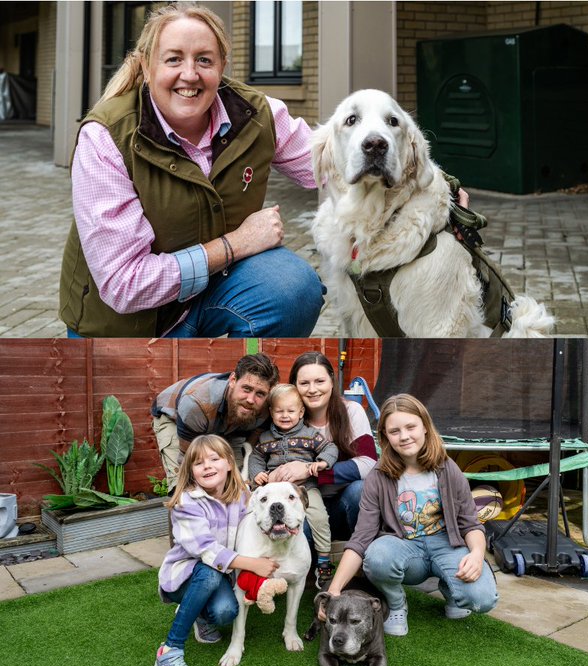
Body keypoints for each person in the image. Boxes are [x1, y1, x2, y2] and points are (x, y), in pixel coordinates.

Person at [59, 2, 324, 338]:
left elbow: (334, 166)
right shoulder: (104, 138)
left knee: (292, 288)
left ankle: (237, 369)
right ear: (147, 66)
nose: (190, 74)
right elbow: (124, 285)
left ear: (222, 66)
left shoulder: (256, 114)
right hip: (127, 325)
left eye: (204, 60)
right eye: (173, 59)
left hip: (207, 293)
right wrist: (237, 244)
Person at [322, 394, 498, 637]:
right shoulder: (378, 477)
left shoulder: (447, 468)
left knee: (482, 599)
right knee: (377, 556)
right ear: (385, 436)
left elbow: (470, 523)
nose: (404, 436)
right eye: (394, 431)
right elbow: (361, 538)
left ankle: (452, 589)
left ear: (425, 427)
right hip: (405, 548)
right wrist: (334, 590)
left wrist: (477, 555)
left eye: (410, 427)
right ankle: (396, 604)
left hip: (446, 545)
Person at [155, 434, 278, 666]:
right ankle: (169, 651)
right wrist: (253, 564)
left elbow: (254, 525)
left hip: (221, 573)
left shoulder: (242, 496)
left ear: (229, 463)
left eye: (214, 459)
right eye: (199, 463)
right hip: (184, 576)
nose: (207, 466)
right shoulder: (186, 502)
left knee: (226, 612)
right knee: (209, 571)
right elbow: (207, 551)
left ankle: (200, 614)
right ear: (191, 471)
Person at [263, 351, 377, 541]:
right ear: (294, 386)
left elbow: (368, 463)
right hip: (302, 505)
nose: (312, 389)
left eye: (319, 381)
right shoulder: (285, 418)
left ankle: (361, 552)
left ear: (332, 381)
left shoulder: (351, 412)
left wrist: (309, 471)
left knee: (361, 489)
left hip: (344, 502)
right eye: (304, 383)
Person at [248, 383, 339, 588]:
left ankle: (323, 562)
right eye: (279, 411)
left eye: (291, 411)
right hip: (273, 490)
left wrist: (322, 462)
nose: (285, 415)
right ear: (271, 412)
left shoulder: (310, 435)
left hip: (304, 488)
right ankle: (258, 558)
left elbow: (330, 448)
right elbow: (256, 457)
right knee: (256, 512)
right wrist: (257, 474)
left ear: (301, 412)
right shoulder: (265, 438)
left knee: (319, 516)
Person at [152, 352, 278, 491]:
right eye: (246, 389)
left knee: (237, 482)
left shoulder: (268, 407)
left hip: (228, 425)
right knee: (185, 487)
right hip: (176, 417)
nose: (250, 399)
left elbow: (256, 435)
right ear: (233, 380)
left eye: (260, 393)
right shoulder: (196, 404)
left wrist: (243, 459)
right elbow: (187, 460)